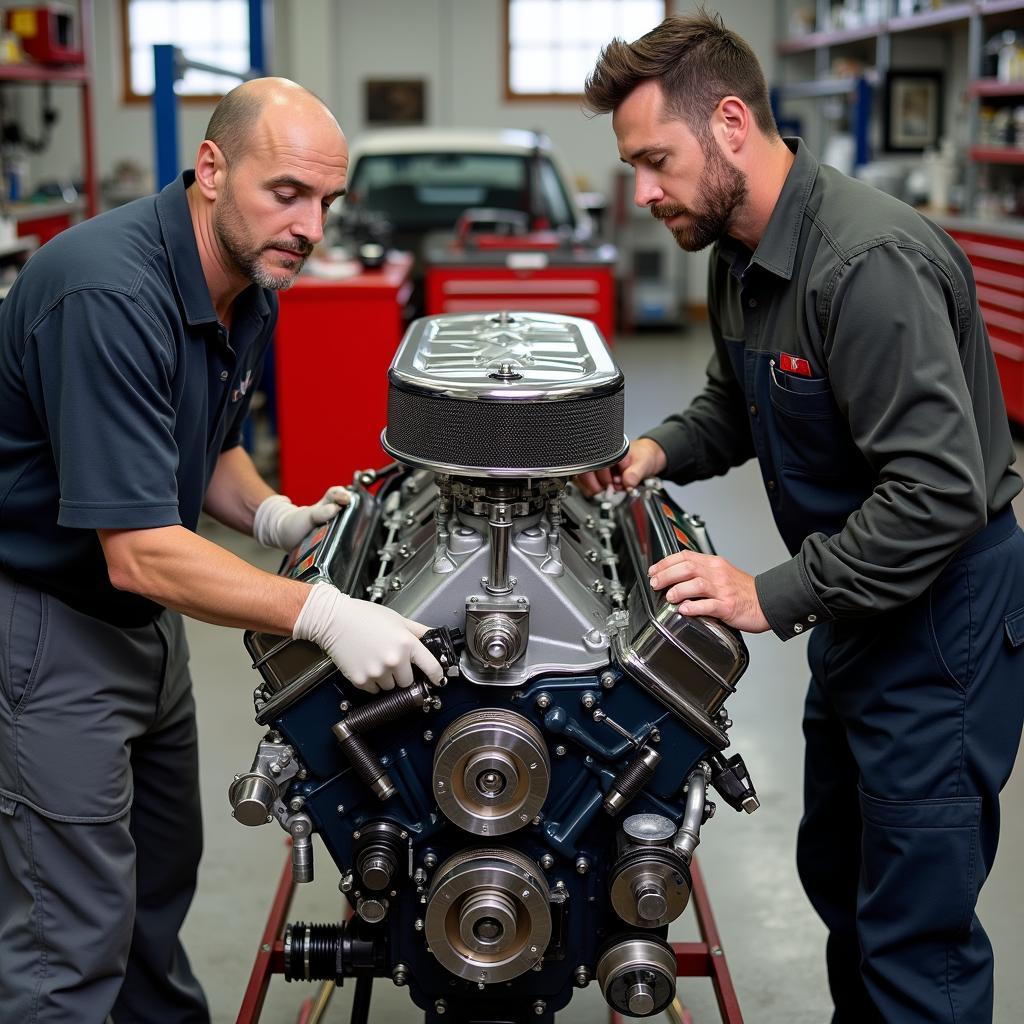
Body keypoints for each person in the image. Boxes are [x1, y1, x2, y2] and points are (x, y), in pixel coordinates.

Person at [578, 12, 1024, 1023]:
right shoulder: (736, 249)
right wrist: (654, 451)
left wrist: (763, 593)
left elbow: (937, 493)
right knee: (843, 876)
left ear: (730, 123)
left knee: (917, 932)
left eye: (656, 159)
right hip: (861, 606)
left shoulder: (862, 267)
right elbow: (733, 406)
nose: (643, 191)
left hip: (940, 621)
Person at [0, 78, 441, 1023]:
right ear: (211, 169)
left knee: (155, 895)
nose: (311, 226)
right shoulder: (107, 294)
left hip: (146, 630)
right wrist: (323, 613)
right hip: (47, 627)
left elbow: (201, 443)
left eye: (327, 201)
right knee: (63, 944)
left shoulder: (246, 284)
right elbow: (139, 552)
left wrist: (273, 516)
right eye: (287, 192)